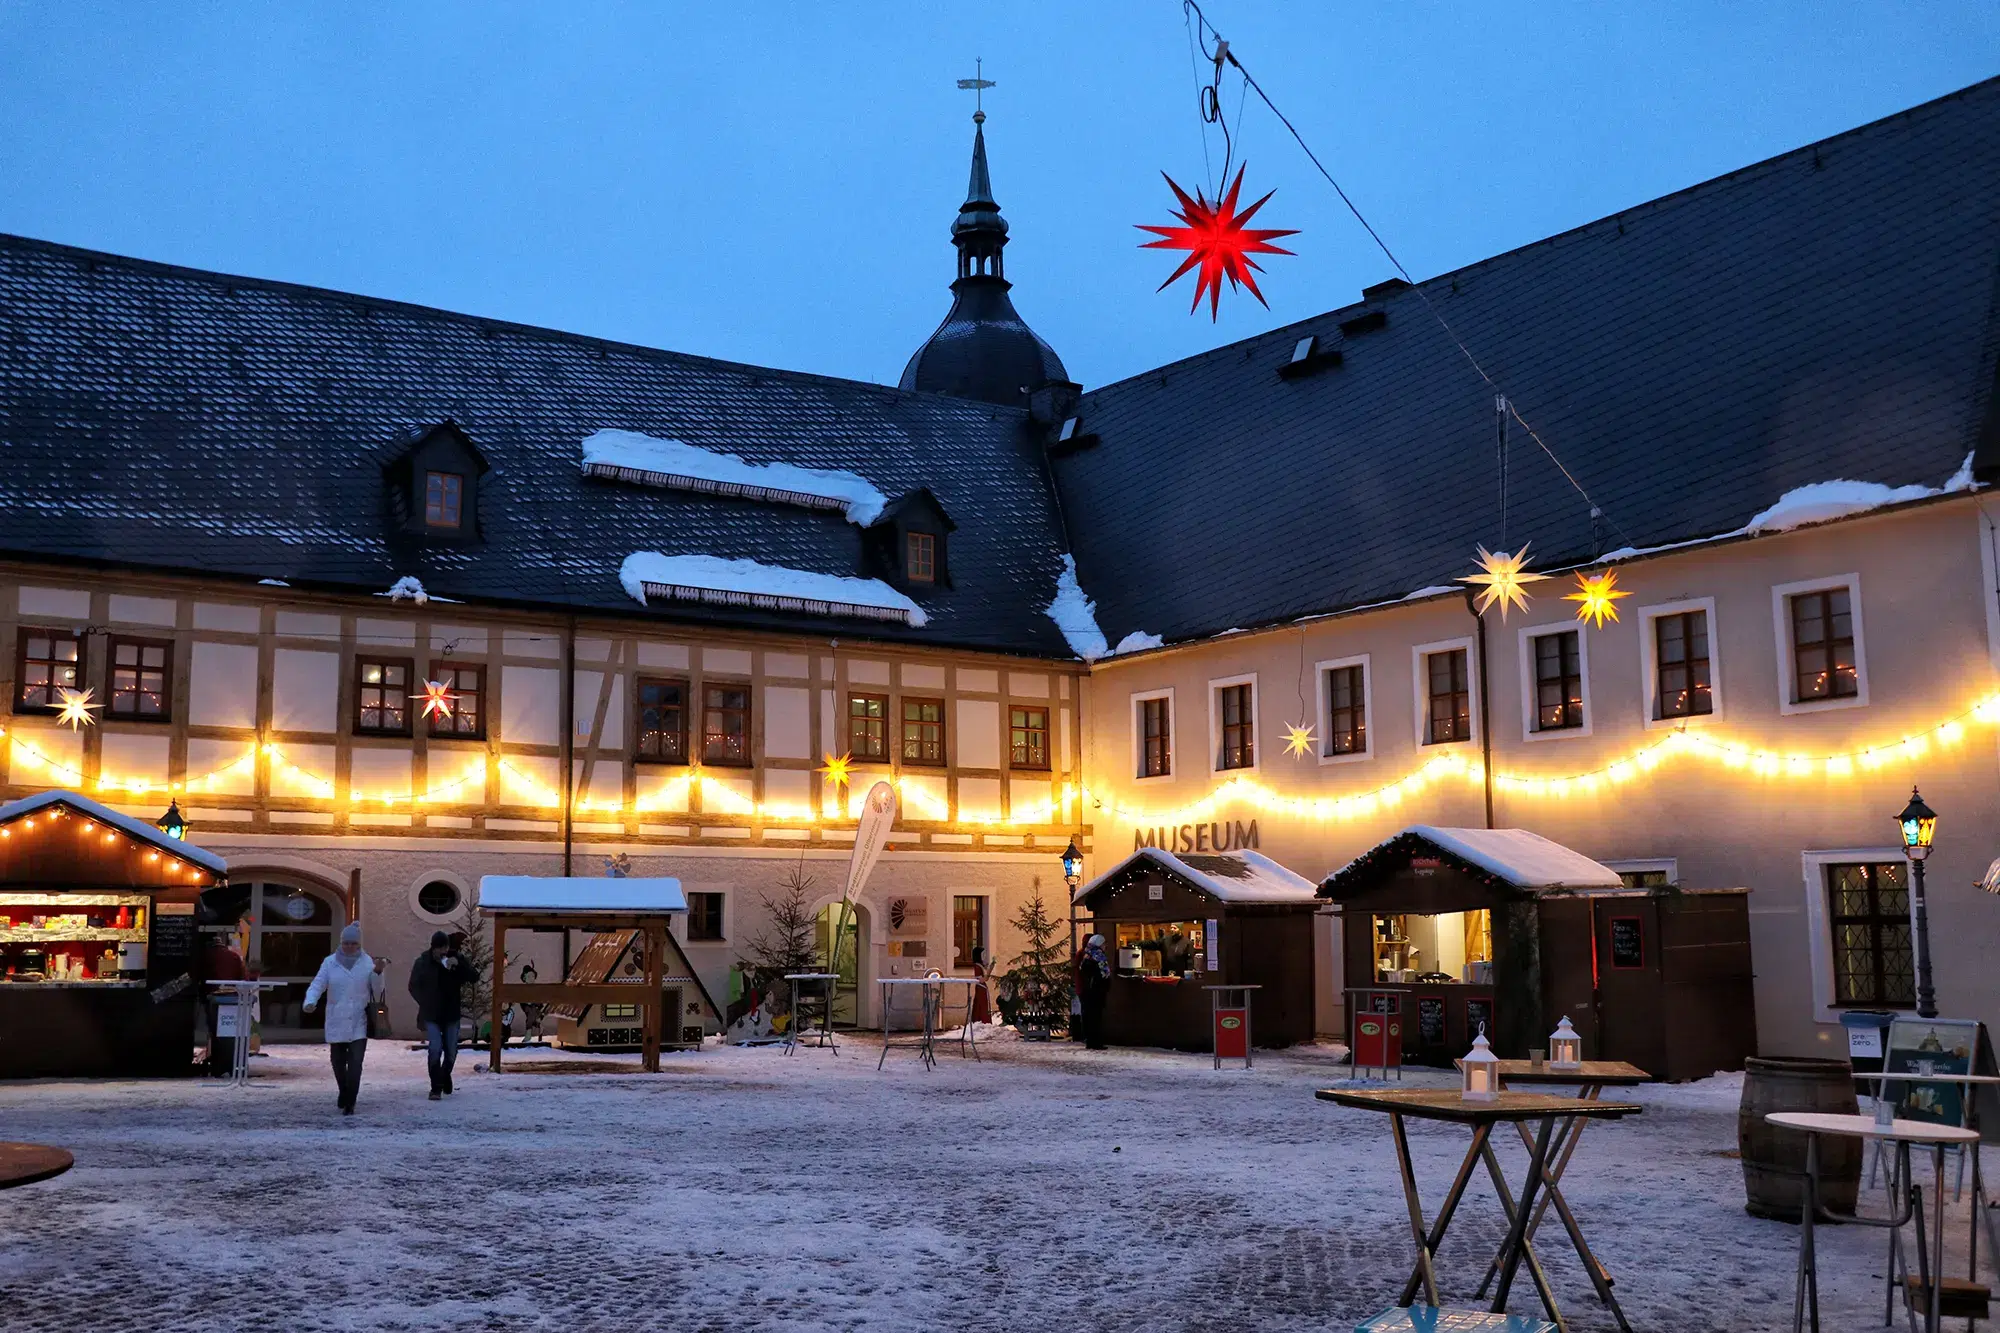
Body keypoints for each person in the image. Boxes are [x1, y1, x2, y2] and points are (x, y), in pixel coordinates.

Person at [303, 923, 387, 1115]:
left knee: (356, 1062)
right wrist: (310, 1001)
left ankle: (350, 1101)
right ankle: (343, 1090)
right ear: (341, 943)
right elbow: (318, 983)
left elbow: (378, 990)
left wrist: (378, 973)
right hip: (336, 1017)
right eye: (346, 943)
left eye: (353, 943)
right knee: (338, 1061)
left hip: (359, 1019)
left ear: (359, 944)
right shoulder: (329, 962)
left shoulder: (368, 963)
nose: (349, 947)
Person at [408, 930, 480, 1100]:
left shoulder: (456, 960)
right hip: (431, 1013)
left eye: (445, 947)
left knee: (451, 1051)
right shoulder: (423, 962)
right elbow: (413, 986)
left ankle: (444, 1075)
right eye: (439, 948)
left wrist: (459, 965)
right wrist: (425, 1003)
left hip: (451, 1013)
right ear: (433, 948)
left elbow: (474, 977)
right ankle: (436, 1088)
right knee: (435, 1048)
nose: (443, 951)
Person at [1075, 933, 1112, 1051]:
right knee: (1095, 1017)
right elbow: (1102, 974)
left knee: (1089, 1016)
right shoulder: (1098, 956)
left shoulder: (1087, 955)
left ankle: (1091, 1041)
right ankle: (1095, 1042)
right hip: (1095, 992)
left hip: (1087, 991)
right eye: (1104, 943)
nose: (1105, 946)